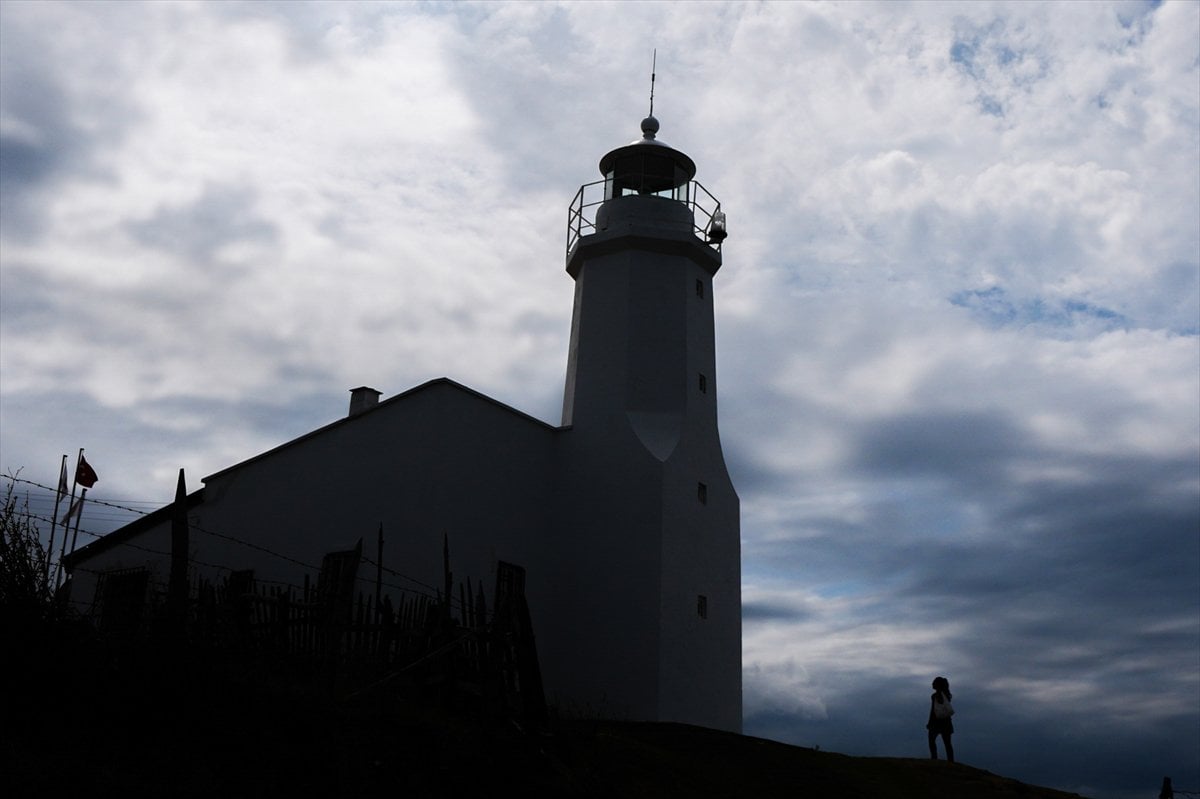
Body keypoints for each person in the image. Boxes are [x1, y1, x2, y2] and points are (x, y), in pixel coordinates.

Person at [927, 676, 955, 762]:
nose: (932, 684)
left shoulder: (934, 696)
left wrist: (929, 723)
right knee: (947, 743)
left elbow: (933, 711)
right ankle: (951, 761)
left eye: (934, 682)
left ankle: (934, 758)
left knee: (931, 740)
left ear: (937, 685)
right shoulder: (947, 695)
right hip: (946, 722)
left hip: (936, 722)